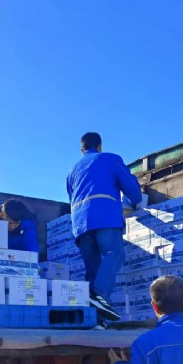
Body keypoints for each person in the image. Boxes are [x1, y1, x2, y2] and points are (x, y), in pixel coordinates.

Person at [67, 132, 143, 325]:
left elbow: (71, 196)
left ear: (82, 150)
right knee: (115, 254)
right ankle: (99, 296)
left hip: (80, 223)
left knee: (93, 270)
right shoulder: (109, 159)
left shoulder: (72, 171)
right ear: (100, 146)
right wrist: (137, 199)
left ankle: (95, 321)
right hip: (104, 216)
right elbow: (132, 190)